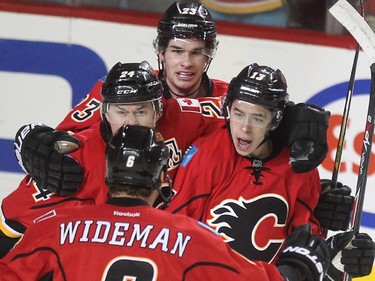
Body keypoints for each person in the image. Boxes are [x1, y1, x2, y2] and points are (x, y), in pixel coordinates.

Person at [0, 124, 333, 281]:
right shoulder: (193, 238)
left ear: (107, 172)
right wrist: (299, 266)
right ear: (162, 177)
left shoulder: (56, 228)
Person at [165, 63, 375, 279]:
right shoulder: (208, 154)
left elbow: (304, 249)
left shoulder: (298, 169)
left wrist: (333, 256)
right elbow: (176, 231)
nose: (245, 127)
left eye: (258, 118)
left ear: (275, 121)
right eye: (238, 114)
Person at [0, 61, 225, 258]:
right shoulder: (75, 161)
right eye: (121, 112)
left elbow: (238, 107)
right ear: (105, 113)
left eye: (140, 112)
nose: (131, 123)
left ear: (158, 111)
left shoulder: (182, 116)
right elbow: (9, 226)